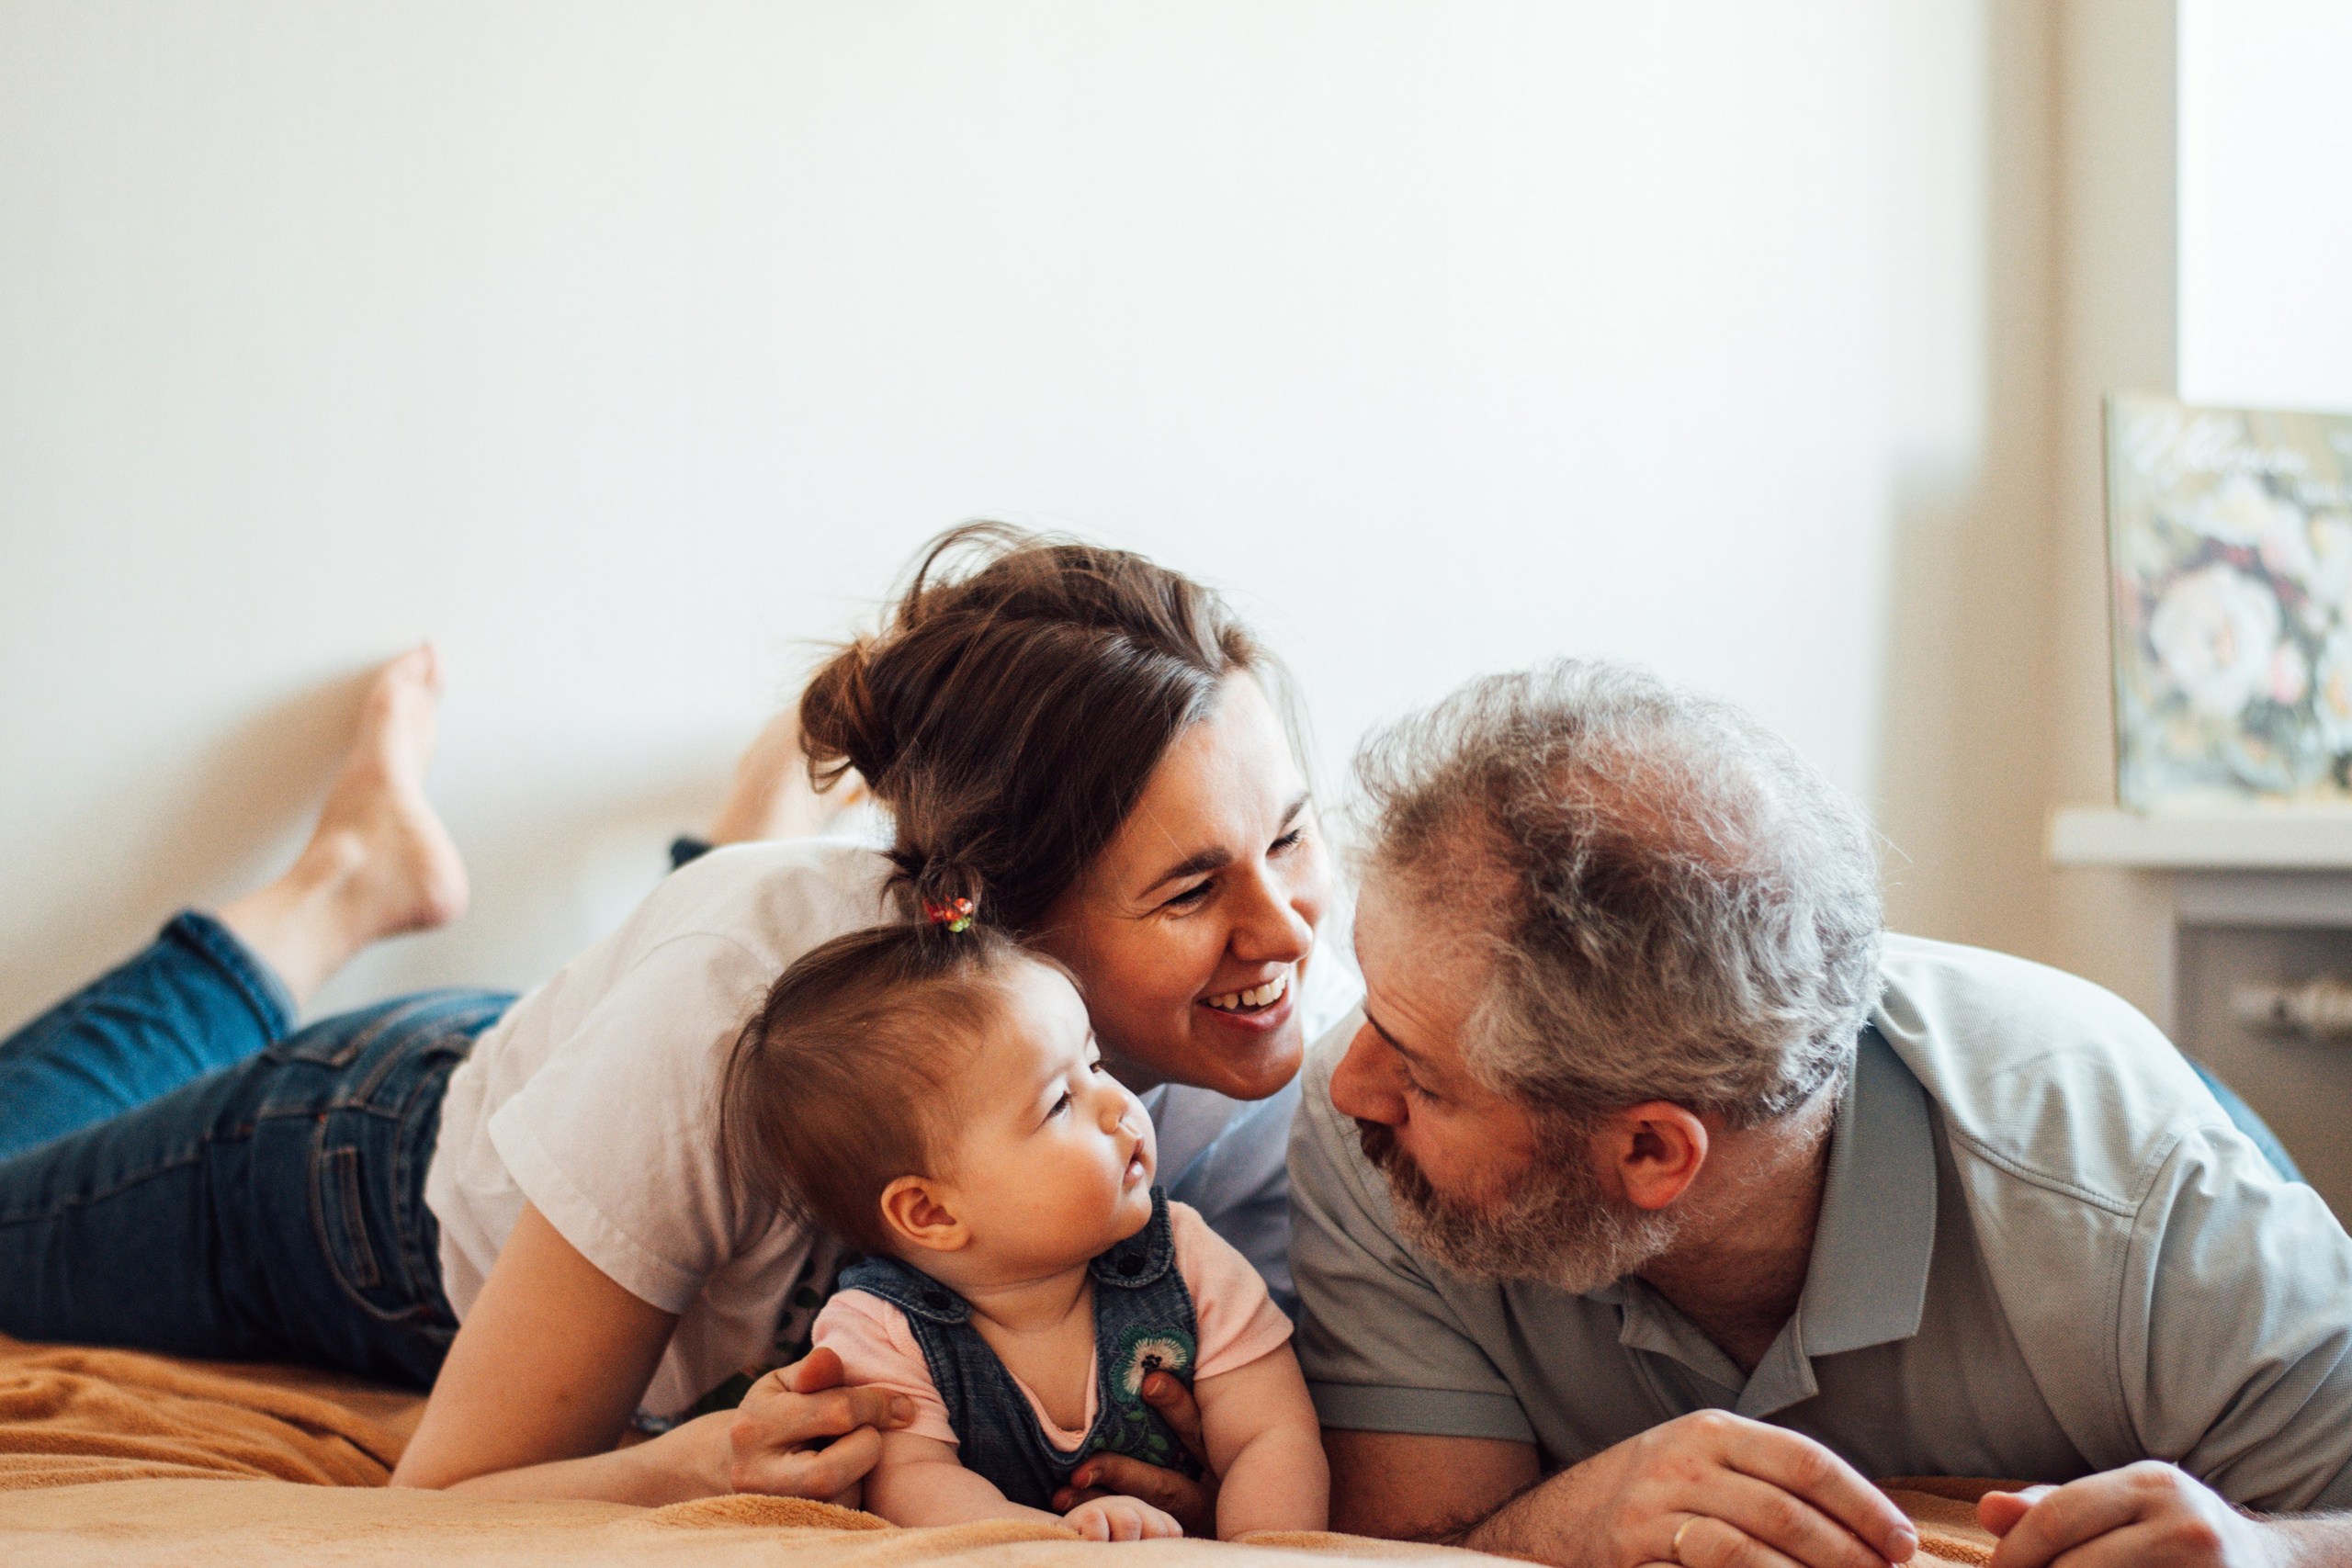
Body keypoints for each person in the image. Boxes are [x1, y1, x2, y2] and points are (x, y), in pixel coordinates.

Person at [0, 525, 1350, 1517]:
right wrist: (694, 1460)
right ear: (987, 917)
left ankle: (743, 823)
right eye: (1188, 888)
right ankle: (330, 890)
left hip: (631, 1040)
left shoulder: (1270, 1056)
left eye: (1287, 833)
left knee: (732, 944)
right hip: (360, 1163)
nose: (1288, 933)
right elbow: (452, 1488)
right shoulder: (720, 1016)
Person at [1287, 660, 2352, 1568]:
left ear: (1650, 1150)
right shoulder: (1373, 1146)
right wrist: (1585, 1519)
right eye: (1374, 1007)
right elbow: (1403, 1550)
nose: (1349, 1084)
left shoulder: (2136, 1200)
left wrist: (2271, 1550)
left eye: (1424, 1079)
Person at [728, 898, 1326, 1540]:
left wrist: (1260, 1551)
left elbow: (1272, 1434)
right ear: (931, 1211)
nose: (1116, 1105)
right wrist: (1059, 1544)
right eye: (1060, 1101)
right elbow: (915, 1485)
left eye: (1095, 1065)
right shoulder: (881, 1329)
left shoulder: (1184, 1257)